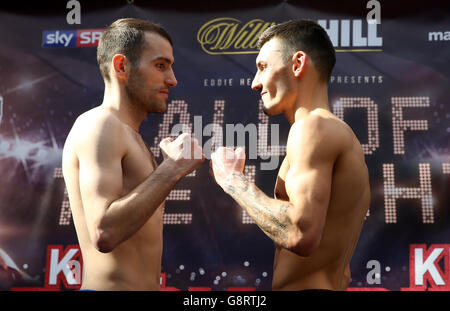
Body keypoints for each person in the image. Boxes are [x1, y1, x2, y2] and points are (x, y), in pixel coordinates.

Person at [211, 20, 370, 290]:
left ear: (297, 64)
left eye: (263, 68)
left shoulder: (313, 127)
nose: (254, 83)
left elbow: (300, 234)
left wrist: (232, 180)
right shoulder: (333, 133)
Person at [62, 18, 204, 290]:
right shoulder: (99, 124)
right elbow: (104, 232)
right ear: (121, 66)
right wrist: (171, 168)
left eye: (171, 67)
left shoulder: (130, 136)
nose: (172, 80)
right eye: (160, 65)